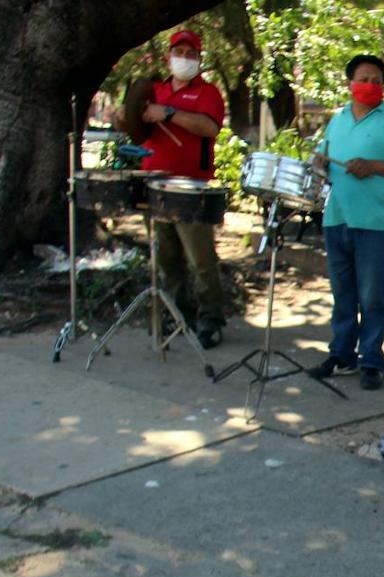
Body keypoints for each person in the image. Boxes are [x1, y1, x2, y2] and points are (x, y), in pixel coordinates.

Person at [306, 55, 384, 391]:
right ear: (350, 84)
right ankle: (341, 355)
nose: (370, 85)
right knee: (342, 295)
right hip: (336, 217)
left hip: (374, 224)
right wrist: (318, 163)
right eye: (364, 79)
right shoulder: (337, 119)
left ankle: (371, 360)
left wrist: (373, 165)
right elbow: (322, 158)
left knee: (372, 298)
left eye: (376, 80)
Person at [122, 29, 227, 348]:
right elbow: (136, 128)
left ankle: (211, 320)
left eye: (191, 54)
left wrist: (168, 113)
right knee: (165, 258)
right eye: (179, 53)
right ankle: (179, 315)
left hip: (191, 187)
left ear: (199, 59)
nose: (184, 59)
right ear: (169, 57)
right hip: (154, 184)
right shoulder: (154, 90)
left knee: (200, 259)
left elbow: (209, 127)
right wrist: (128, 117)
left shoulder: (207, 92)